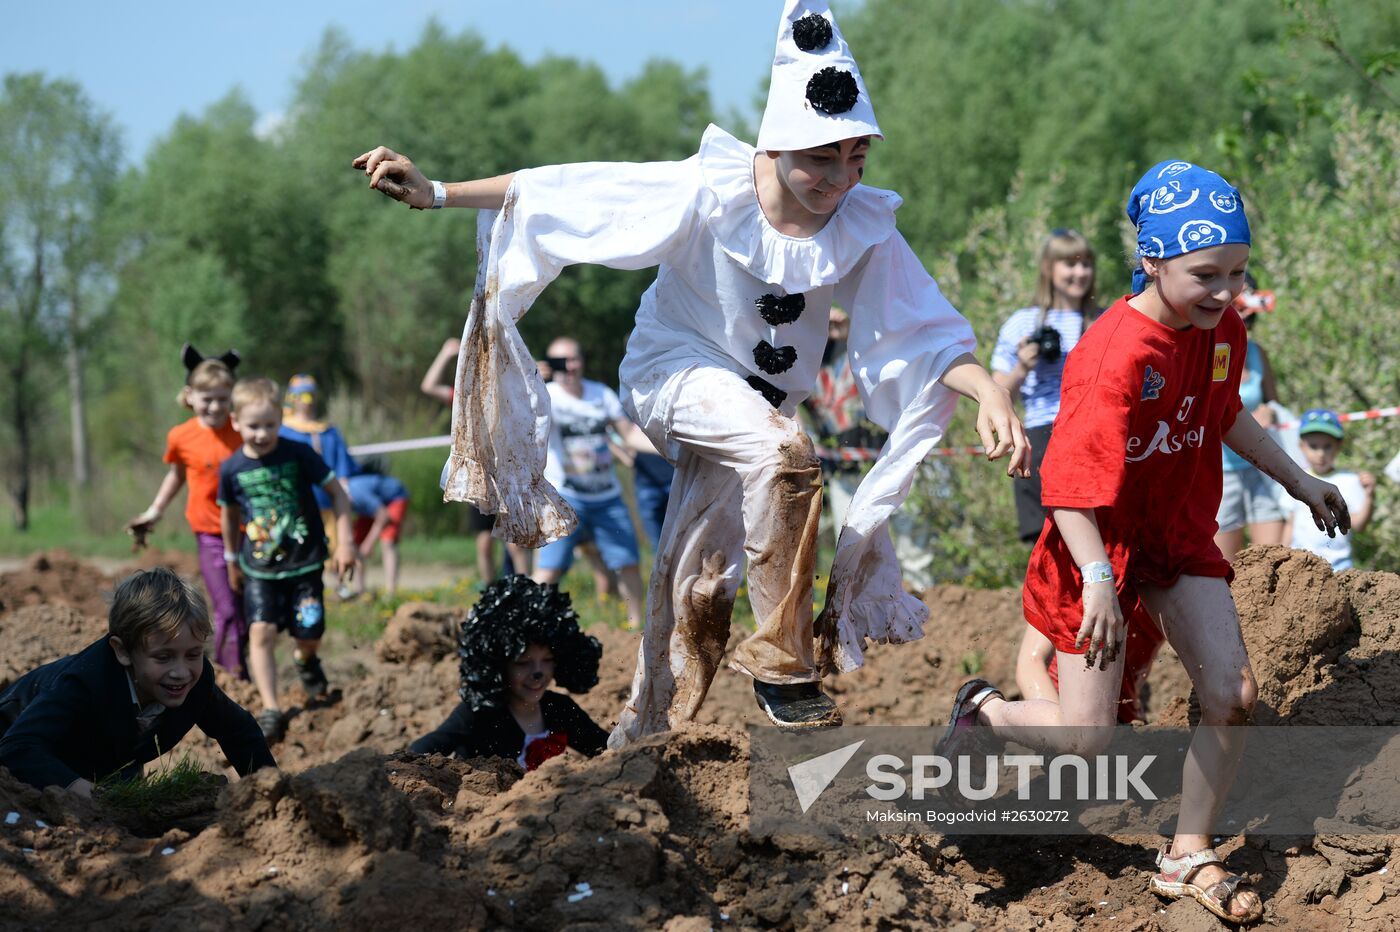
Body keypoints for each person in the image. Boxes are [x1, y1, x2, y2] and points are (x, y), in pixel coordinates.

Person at [353, 0, 1028, 738]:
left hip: (756, 410)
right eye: (821, 160)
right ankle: (784, 661)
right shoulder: (708, 190)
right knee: (786, 455)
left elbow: (923, 330)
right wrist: (441, 193)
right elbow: (567, 190)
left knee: (697, 587)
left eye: (855, 161)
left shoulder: (862, 225)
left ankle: (635, 742)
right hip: (672, 373)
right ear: (772, 150)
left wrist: (987, 388)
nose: (838, 181)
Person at [937, 160, 1349, 925]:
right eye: (1206, 274)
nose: (1226, 293)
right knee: (1091, 745)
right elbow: (1065, 488)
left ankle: (1186, 851)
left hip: (1176, 536)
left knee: (1233, 694)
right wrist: (1097, 580)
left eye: (1237, 271)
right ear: (1153, 260)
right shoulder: (1112, 356)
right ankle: (986, 714)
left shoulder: (1220, 328)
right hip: (1096, 546)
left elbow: (1226, 413)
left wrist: (1299, 480)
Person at [0, 567, 276, 795]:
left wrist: (273, 790)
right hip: (19, 742)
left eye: (193, 654)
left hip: (106, 757)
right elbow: (19, 747)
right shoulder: (83, 682)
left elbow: (239, 732)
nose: (181, 672)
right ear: (122, 651)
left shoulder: (197, 681)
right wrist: (87, 794)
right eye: (164, 657)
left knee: (124, 802)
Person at [218, 377, 356, 742]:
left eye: (269, 425)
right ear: (235, 422)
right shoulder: (231, 469)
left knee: (308, 631)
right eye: (253, 426)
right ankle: (270, 708)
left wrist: (346, 543)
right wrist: (231, 557)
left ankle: (306, 659)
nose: (261, 434)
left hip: (305, 561)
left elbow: (338, 495)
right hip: (259, 566)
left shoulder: (298, 453)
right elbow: (230, 516)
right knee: (260, 631)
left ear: (280, 419)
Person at [127, 345, 250, 679]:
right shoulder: (181, 437)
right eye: (207, 398)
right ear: (190, 396)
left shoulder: (243, 431)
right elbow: (177, 475)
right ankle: (228, 677)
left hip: (251, 534)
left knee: (249, 609)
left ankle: (245, 666)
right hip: (210, 534)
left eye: (223, 399)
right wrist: (155, 511)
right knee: (225, 609)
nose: (215, 406)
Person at [409, 575, 607, 769]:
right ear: (499, 664)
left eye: (547, 660)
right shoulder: (477, 715)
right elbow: (420, 751)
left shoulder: (559, 709)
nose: (538, 673)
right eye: (523, 663)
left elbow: (608, 750)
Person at [531, 336, 654, 631]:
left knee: (627, 562)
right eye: (562, 361)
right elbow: (516, 413)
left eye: (574, 359)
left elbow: (628, 435)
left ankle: (636, 629)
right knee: (549, 568)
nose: (570, 367)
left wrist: (670, 449)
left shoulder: (601, 394)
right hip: (564, 498)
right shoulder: (544, 395)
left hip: (606, 497)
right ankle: (530, 624)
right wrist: (529, 378)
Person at [992, 228, 1098, 542]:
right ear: (1048, 269)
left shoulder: (1105, 320)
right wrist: (1023, 366)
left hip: (1092, 433)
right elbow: (996, 394)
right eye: (1070, 264)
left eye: (1086, 264)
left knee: (1099, 534)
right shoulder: (1021, 323)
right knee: (1046, 541)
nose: (1080, 273)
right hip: (1041, 435)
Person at [421, 336, 532, 581]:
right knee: (484, 542)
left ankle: (525, 588)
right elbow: (428, 386)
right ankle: (489, 591)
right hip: (480, 476)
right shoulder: (466, 399)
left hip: (507, 473)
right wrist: (446, 354)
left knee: (514, 539)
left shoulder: (511, 394)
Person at [1213, 274, 1286, 561]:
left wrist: (1271, 411)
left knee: (1271, 561)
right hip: (1220, 471)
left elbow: (1275, 404)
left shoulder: (1257, 354)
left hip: (1261, 470)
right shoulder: (1212, 350)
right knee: (1223, 565)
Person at [1283, 408, 1375, 571]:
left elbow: (1359, 524)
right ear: (1302, 446)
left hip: (1339, 566)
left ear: (1339, 446)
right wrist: (1282, 555)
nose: (1320, 453)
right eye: (1313, 446)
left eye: (1327, 446)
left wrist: (1369, 496)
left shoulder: (1349, 481)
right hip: (1300, 564)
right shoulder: (1296, 480)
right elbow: (1290, 523)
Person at [278, 374, 356, 564]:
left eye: (311, 396)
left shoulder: (329, 432)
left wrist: (344, 488)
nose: (308, 402)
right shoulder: (283, 431)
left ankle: (341, 587)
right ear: (293, 399)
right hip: (298, 502)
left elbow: (342, 464)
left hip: (329, 499)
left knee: (336, 546)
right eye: (303, 396)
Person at [347, 466, 411, 597]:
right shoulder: (340, 498)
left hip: (394, 498)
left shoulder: (357, 494)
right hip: (373, 507)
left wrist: (369, 543)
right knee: (356, 542)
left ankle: (390, 592)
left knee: (387, 542)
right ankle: (359, 591)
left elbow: (383, 515)